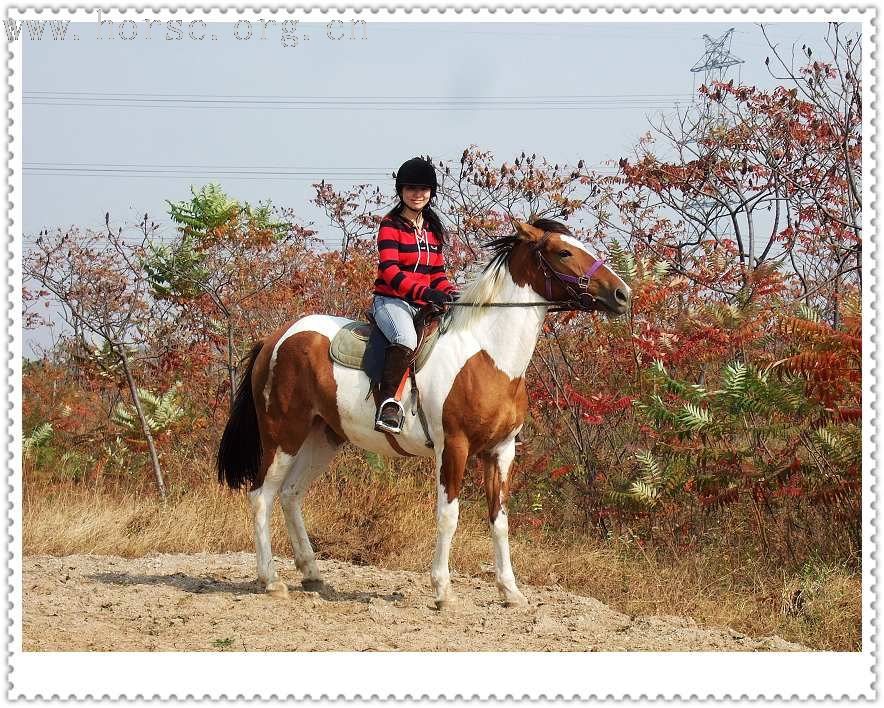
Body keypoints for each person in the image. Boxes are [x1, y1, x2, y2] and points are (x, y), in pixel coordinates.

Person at [372, 157, 458, 434]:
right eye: (411, 188)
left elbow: (438, 274)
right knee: (405, 338)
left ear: (431, 192)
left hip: (423, 305)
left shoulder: (432, 230)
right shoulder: (390, 226)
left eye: (423, 189)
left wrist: (451, 294)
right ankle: (388, 405)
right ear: (401, 191)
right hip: (391, 301)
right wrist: (425, 292)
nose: (417, 194)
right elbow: (390, 272)